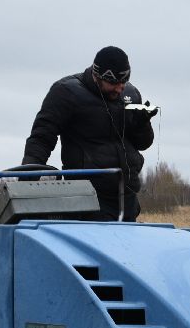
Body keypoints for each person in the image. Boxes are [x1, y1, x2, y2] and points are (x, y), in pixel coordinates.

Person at [21, 46, 157, 221]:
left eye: (124, 82)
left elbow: (143, 144)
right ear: (98, 75)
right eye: (114, 83)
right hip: (87, 197)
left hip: (127, 195)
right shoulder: (66, 92)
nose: (119, 88)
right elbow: (41, 138)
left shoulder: (129, 94)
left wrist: (142, 123)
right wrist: (26, 180)